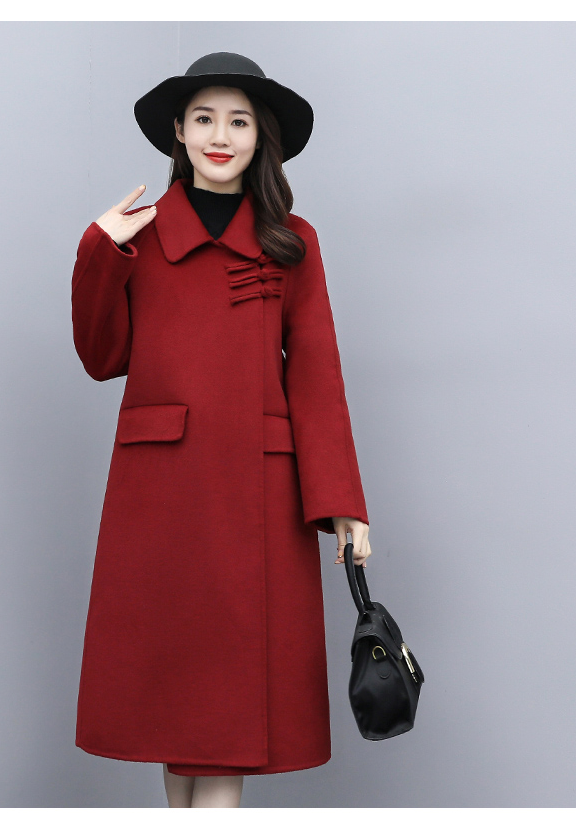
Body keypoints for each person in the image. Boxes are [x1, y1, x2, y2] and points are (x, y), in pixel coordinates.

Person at [71, 52, 372, 808]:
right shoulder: (138, 237)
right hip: (161, 496)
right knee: (177, 712)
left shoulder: (291, 240)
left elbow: (317, 374)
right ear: (178, 130)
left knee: (228, 717)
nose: (220, 136)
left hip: (257, 496)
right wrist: (100, 249)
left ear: (260, 137)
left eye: (238, 121)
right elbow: (102, 357)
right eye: (204, 118)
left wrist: (343, 503)